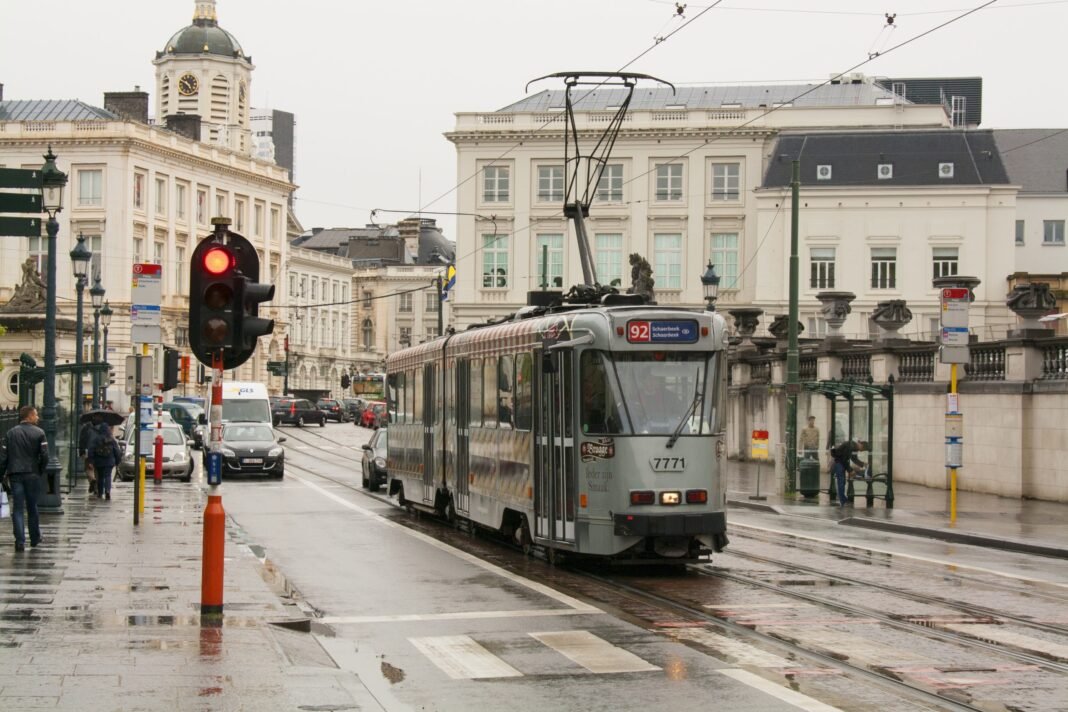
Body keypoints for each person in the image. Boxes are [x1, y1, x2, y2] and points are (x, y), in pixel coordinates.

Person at [0, 405, 49, 552]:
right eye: (36, 415)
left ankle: (20, 541)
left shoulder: (10, 433)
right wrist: (40, 469)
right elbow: (45, 456)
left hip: (15, 474)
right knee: (32, 507)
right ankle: (34, 538)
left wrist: (2, 474)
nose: (38, 417)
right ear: (29, 416)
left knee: (18, 508)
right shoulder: (40, 433)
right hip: (33, 474)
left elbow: (3, 457)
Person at [87, 420, 121, 500]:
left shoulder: (96, 439)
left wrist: (91, 461)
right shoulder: (112, 439)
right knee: (108, 476)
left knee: (101, 477)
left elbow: (91, 450)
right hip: (109, 461)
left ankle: (100, 492)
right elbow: (117, 451)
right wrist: (117, 461)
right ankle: (108, 491)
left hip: (99, 461)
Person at [831, 439, 867, 508]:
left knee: (842, 482)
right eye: (862, 449)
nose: (861, 451)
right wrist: (850, 470)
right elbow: (844, 459)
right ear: (861, 445)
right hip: (839, 463)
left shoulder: (854, 447)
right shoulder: (850, 445)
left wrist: (863, 464)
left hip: (841, 464)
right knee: (841, 482)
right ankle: (843, 501)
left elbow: (854, 459)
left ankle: (843, 500)